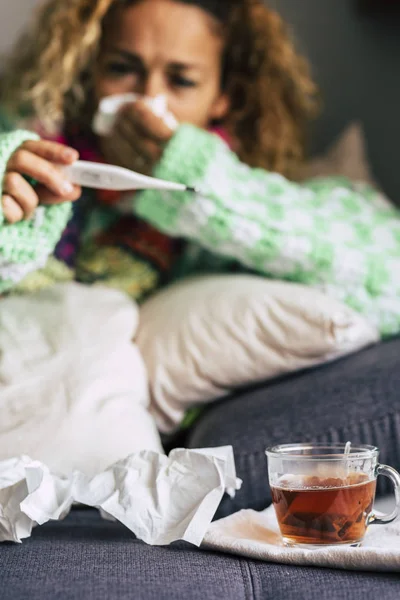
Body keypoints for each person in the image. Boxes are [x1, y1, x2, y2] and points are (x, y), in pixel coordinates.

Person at [0, 0, 399, 337]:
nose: (148, 99)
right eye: (122, 69)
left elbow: (388, 273)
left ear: (223, 97)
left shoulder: (251, 195)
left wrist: (203, 181)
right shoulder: (25, 148)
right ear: (89, 75)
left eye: (181, 81)